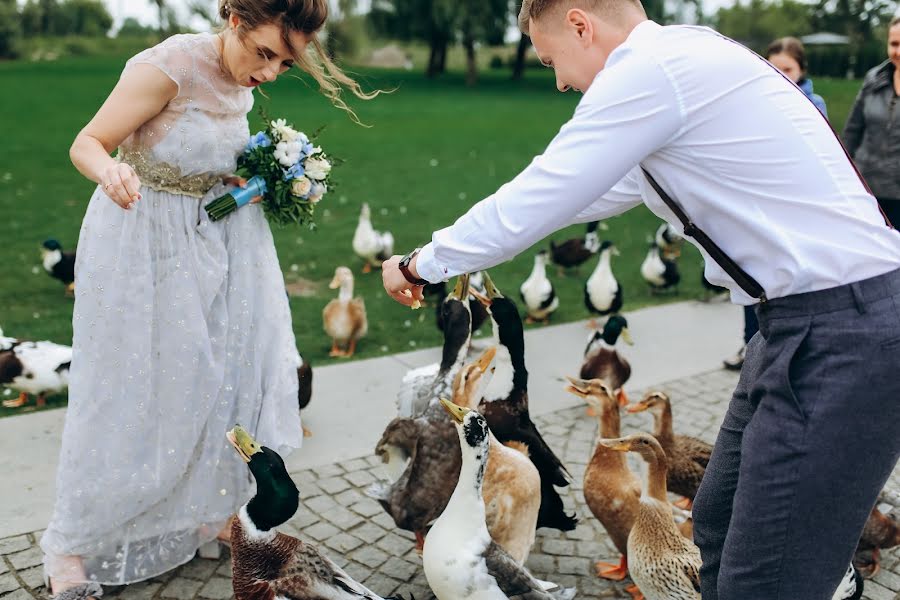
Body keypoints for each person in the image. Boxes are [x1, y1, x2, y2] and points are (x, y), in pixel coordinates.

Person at [381, 0, 900, 598]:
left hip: (841, 333)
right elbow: (575, 197)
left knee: (768, 575)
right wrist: (454, 249)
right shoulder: (678, 63)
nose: (558, 81)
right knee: (717, 520)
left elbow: (543, 192)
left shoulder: (652, 69)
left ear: (581, 24)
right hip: (795, 327)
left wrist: (423, 264)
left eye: (553, 59)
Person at [40, 1, 375, 598]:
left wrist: (249, 181)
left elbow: (205, 156)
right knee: (130, 385)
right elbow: (87, 143)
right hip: (142, 236)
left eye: (285, 63)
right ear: (234, 20)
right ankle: (71, 543)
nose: (269, 73)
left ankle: (203, 504)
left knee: (216, 377)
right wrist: (108, 173)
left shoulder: (241, 81)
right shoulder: (168, 66)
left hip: (216, 242)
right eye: (264, 53)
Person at [723, 35, 828, 370]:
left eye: (787, 68)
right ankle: (750, 345)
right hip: (756, 205)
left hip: (797, 208)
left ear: (801, 70)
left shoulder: (813, 104)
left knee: (789, 281)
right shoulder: (752, 101)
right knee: (751, 276)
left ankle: (790, 348)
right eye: (773, 67)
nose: (780, 74)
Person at [844, 15, 900, 227]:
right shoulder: (873, 79)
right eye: (894, 44)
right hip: (867, 191)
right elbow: (851, 132)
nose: (898, 52)